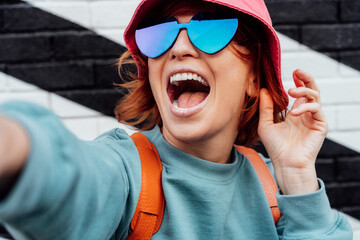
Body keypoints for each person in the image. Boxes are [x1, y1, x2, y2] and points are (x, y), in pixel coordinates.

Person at [0, 0, 353, 239]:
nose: (179, 48)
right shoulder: (126, 170)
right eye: (159, 33)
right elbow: (72, 181)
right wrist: (16, 147)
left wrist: (296, 176)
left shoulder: (275, 186)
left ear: (252, 78)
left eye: (211, 30)